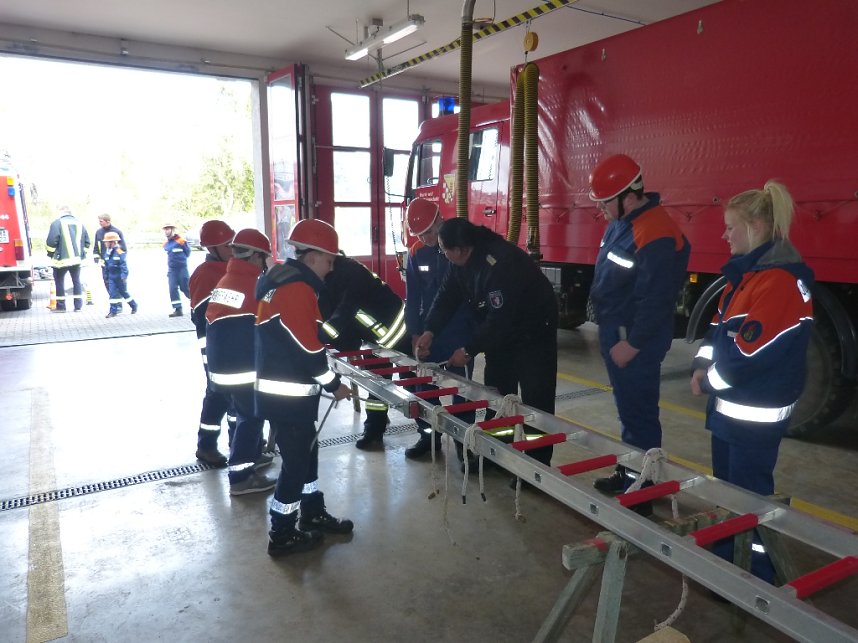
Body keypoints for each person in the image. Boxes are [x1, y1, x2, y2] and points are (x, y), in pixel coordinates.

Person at [691, 180, 813, 582]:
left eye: (731, 227)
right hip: (731, 412)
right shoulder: (745, 276)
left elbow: (747, 353)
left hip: (753, 415)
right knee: (729, 491)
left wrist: (709, 381)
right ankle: (730, 554)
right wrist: (699, 365)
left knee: (749, 495)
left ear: (757, 226)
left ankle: (756, 573)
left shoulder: (777, 282)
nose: (724, 235)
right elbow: (717, 331)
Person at [415, 217, 558, 467]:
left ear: (460, 249)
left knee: (537, 400)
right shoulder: (460, 262)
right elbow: (446, 298)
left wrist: (468, 350)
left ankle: (537, 464)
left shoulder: (499, 263)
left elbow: (499, 318)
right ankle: (497, 453)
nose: (442, 254)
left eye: (444, 250)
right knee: (498, 394)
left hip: (533, 334)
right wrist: (430, 330)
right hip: (501, 336)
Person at [587, 154, 690, 494]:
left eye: (605, 202)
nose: (601, 209)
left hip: (633, 340)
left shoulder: (654, 231)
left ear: (626, 196)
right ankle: (633, 475)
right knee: (630, 410)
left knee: (639, 412)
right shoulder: (625, 221)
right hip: (618, 333)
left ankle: (641, 489)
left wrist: (632, 344)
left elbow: (656, 299)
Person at [255, 219, 353, 557]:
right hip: (287, 395)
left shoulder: (283, 281)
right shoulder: (296, 289)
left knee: (306, 455)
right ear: (312, 257)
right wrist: (335, 384)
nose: (331, 267)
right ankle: (281, 534)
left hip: (286, 394)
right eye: (329, 260)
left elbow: (304, 337)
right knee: (296, 463)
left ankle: (312, 513)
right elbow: (309, 352)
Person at [403, 199, 476, 459]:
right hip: (428, 333)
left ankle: (463, 441)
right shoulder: (416, 252)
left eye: (430, 232)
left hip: (458, 329)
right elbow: (412, 297)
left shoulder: (460, 248)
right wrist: (414, 334)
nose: (427, 238)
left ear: (440, 221)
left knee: (462, 389)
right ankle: (429, 437)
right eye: (421, 235)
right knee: (423, 387)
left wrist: (470, 338)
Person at [206, 228, 276, 495]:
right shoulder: (255, 284)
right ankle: (241, 478)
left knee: (244, 415)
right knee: (251, 417)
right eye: (264, 258)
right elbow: (274, 315)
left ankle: (252, 458)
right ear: (256, 256)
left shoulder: (227, 279)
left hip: (222, 365)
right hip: (242, 367)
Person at [319, 251, 411, 449]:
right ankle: (374, 431)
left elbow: (344, 312)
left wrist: (319, 339)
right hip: (373, 339)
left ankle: (430, 437)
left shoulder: (352, 273)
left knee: (415, 385)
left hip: (399, 331)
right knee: (377, 386)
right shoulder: (324, 281)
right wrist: (344, 345)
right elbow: (336, 321)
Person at [188, 220, 236, 467]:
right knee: (219, 394)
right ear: (212, 248)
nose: (232, 248)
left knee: (237, 397)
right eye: (227, 245)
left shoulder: (231, 269)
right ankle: (206, 446)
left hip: (234, 344)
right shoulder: (206, 274)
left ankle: (242, 446)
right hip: (215, 346)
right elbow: (201, 314)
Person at [45, 206, 90, 312]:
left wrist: (51, 254)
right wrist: (82, 255)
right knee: (76, 281)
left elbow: (51, 242)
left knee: (59, 281)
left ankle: (61, 306)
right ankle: (78, 306)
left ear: (61, 213)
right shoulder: (80, 224)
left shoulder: (57, 223)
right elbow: (87, 242)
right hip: (77, 260)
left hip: (61, 260)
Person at [101, 231, 138, 317]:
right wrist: (106, 276)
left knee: (124, 293)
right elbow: (106, 265)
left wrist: (124, 276)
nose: (105, 243)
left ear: (112, 242)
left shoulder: (120, 252)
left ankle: (134, 305)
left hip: (120, 277)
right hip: (111, 277)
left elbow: (123, 265)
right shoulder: (107, 252)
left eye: (107, 242)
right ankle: (113, 311)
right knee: (112, 293)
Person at [93, 213, 127, 296]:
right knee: (107, 282)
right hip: (104, 263)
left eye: (101, 221)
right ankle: (113, 299)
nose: (99, 223)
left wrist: (117, 259)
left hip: (115, 264)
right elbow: (96, 247)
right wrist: (96, 257)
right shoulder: (98, 232)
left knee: (118, 283)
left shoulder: (117, 232)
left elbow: (123, 249)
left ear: (108, 221)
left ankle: (117, 301)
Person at [163, 223, 191, 317]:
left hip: (182, 269)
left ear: (172, 230)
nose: (166, 231)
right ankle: (178, 309)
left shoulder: (181, 241)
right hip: (172, 270)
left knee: (186, 287)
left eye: (168, 229)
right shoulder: (166, 244)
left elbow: (188, 252)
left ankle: (196, 304)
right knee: (172, 289)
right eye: (165, 229)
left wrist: (181, 261)